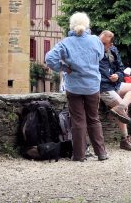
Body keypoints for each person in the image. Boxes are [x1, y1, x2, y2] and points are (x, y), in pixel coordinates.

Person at [45, 12, 108, 162]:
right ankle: (101, 153)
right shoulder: (95, 41)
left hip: (74, 87)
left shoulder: (66, 43)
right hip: (92, 86)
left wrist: (64, 68)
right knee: (94, 118)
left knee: (78, 120)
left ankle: (79, 155)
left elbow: (49, 59)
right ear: (87, 25)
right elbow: (100, 57)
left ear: (71, 26)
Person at [98, 30, 131, 151]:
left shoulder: (113, 50)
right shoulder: (94, 51)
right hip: (104, 87)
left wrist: (117, 75)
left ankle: (121, 106)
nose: (101, 45)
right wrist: (109, 79)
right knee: (122, 109)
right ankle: (125, 139)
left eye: (104, 43)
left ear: (110, 44)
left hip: (115, 84)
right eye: (100, 42)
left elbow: (121, 69)